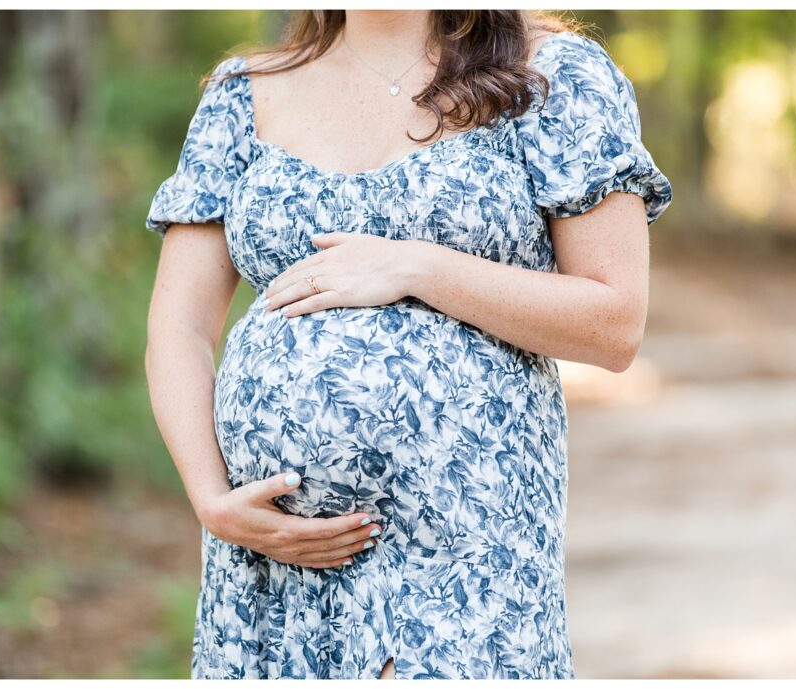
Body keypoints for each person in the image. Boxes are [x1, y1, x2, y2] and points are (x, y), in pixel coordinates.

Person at [143, 8, 672, 680]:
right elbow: (179, 325)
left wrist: (416, 267)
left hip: (469, 553)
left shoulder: (556, 78)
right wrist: (211, 499)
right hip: (274, 565)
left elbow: (615, 321)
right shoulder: (240, 95)